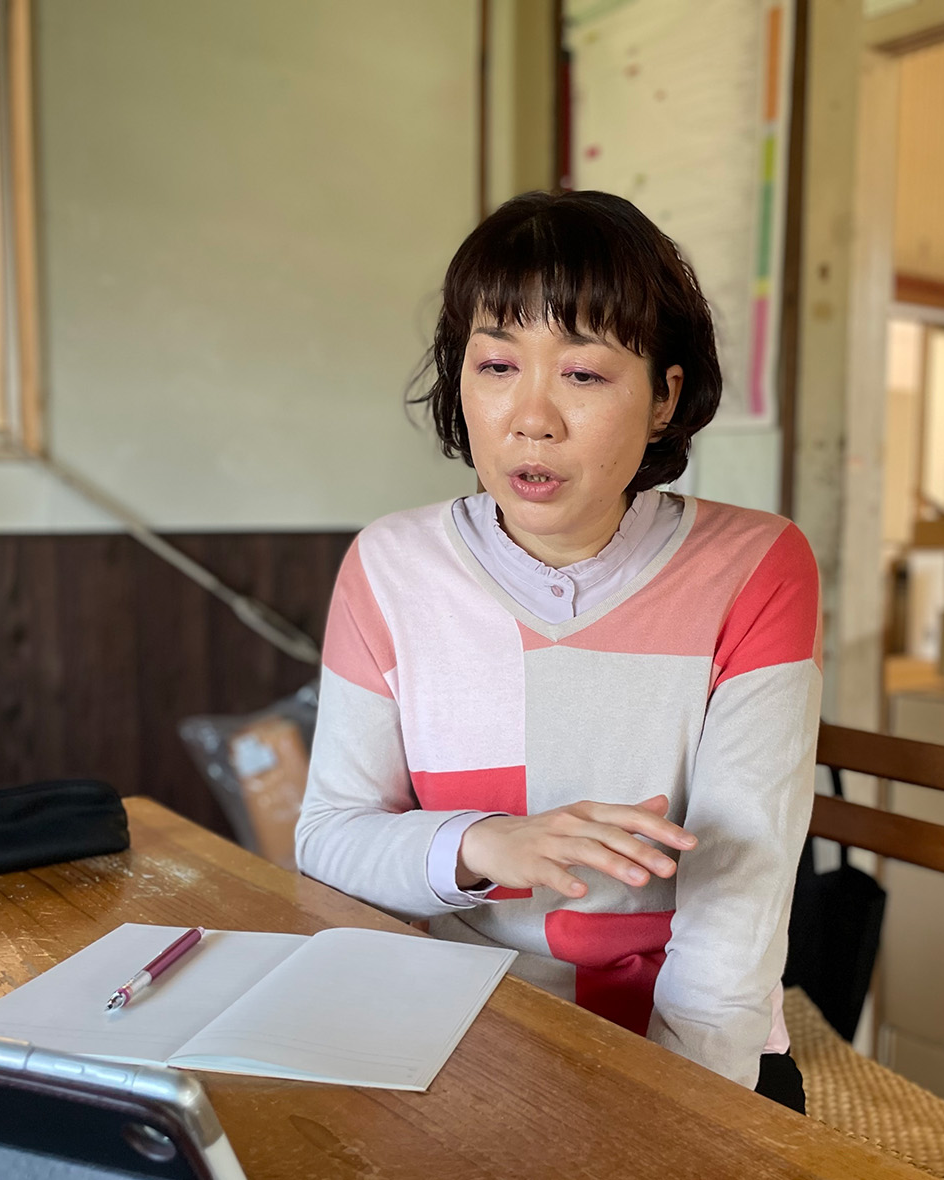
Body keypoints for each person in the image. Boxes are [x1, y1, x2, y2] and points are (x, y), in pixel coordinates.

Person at [295, 190, 822, 1113]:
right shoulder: (390, 567)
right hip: (460, 1036)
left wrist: (674, 1119)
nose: (530, 418)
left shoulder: (757, 567)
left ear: (665, 396)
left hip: (686, 1045)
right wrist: (482, 843)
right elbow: (331, 837)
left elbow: (741, 890)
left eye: (583, 375)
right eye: (497, 364)